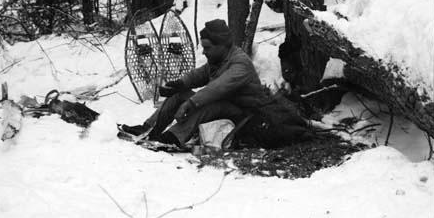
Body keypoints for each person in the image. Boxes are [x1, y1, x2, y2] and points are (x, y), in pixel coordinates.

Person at [120, 18, 310, 148]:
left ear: (222, 45)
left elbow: (217, 89)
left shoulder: (240, 64)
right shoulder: (219, 59)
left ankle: (173, 138)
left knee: (208, 105)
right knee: (180, 95)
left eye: (208, 48)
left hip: (247, 115)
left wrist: (190, 103)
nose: (204, 52)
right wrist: (179, 84)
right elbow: (200, 74)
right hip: (229, 106)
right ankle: (149, 129)